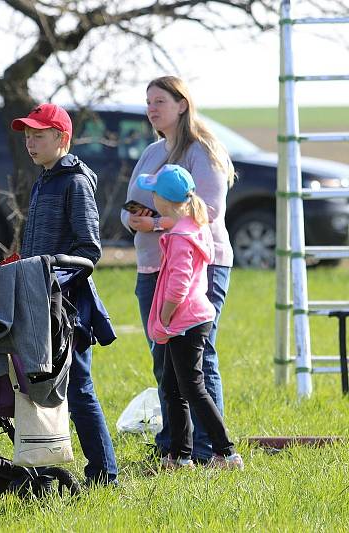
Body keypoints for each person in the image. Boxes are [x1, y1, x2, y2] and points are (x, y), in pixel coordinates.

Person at [121, 76, 235, 464]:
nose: (152, 108)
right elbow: (130, 202)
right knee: (163, 359)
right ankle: (174, 446)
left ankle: (211, 450)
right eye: (148, 101)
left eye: (160, 101)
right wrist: (133, 218)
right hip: (152, 264)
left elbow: (210, 211)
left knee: (200, 359)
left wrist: (156, 224)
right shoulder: (152, 152)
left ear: (182, 104)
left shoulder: (203, 150)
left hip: (200, 265)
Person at [11, 103, 118, 486]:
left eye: (39, 135)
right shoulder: (44, 179)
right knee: (38, 385)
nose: (30, 142)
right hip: (36, 299)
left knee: (79, 388)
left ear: (62, 138)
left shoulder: (74, 181)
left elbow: (89, 251)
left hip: (65, 305)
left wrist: (51, 275)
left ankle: (105, 474)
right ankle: (39, 468)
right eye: (27, 135)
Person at [136, 165, 243, 471]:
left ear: (163, 199)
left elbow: (179, 284)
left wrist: (166, 316)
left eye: (154, 192)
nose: (151, 196)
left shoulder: (182, 236)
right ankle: (180, 456)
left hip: (185, 321)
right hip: (187, 320)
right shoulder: (190, 225)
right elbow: (176, 222)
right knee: (171, 388)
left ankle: (227, 453)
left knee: (193, 387)